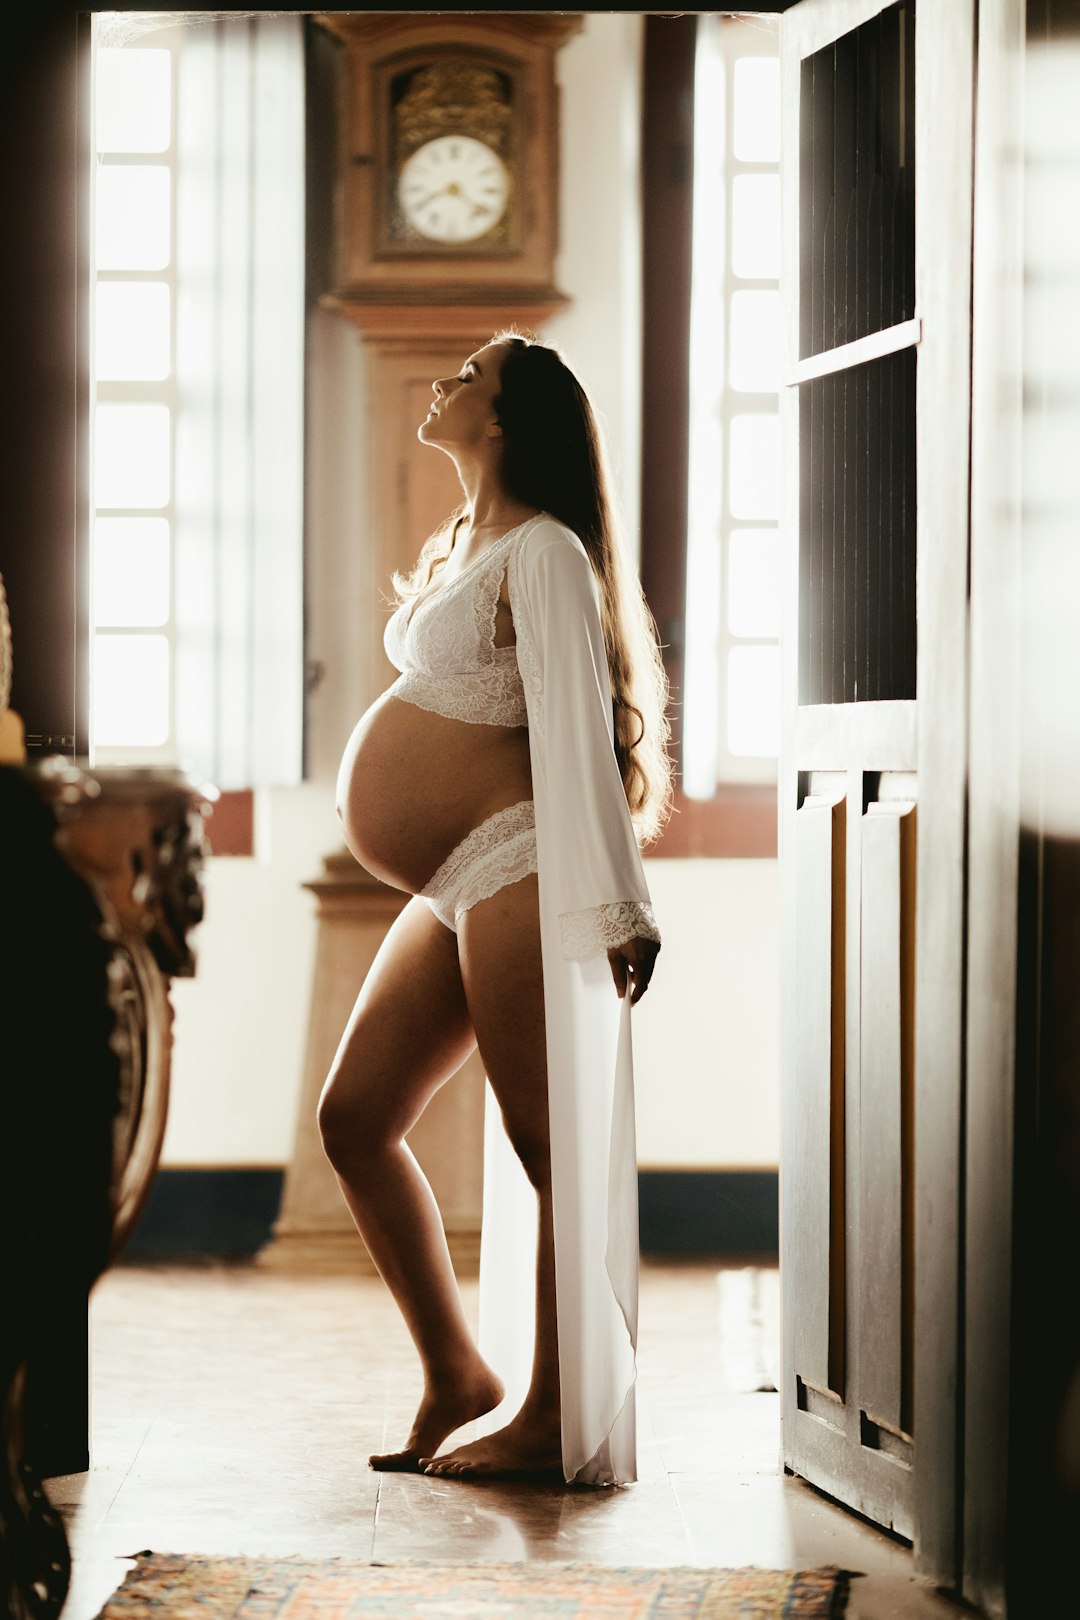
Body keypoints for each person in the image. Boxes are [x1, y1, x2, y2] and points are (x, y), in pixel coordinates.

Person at [319, 331, 671, 1486]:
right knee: (355, 1119)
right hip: (453, 879)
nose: (443, 384)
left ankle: (554, 1414)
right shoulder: (468, 542)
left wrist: (622, 906)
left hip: (518, 858)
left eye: (466, 377)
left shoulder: (550, 552)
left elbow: (575, 721)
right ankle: (455, 1375)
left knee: (547, 1146)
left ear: (510, 418)